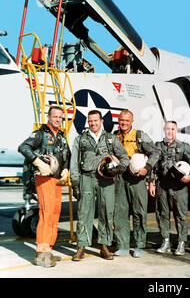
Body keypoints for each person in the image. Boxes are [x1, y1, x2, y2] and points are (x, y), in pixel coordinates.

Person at [70, 110, 129, 261]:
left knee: (107, 212)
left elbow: (124, 157)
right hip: (86, 178)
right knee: (84, 213)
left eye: (95, 120)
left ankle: (104, 246)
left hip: (106, 180)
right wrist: (75, 182)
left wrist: (118, 169)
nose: (93, 123)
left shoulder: (111, 139)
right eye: (90, 121)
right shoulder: (81, 139)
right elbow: (74, 162)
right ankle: (81, 246)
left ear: (101, 121)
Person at [18, 106, 71, 267]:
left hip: (57, 180)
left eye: (60, 117)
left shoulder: (61, 136)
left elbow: (67, 154)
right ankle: (41, 254)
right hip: (44, 178)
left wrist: (66, 168)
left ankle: (48, 249)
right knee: (46, 214)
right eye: (55, 117)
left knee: (54, 214)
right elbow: (23, 147)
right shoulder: (40, 134)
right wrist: (37, 161)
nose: (58, 120)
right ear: (48, 117)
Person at [112, 109, 160, 258]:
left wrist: (147, 168)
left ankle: (139, 245)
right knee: (120, 212)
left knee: (139, 212)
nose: (124, 123)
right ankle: (123, 245)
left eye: (127, 120)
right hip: (120, 178)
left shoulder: (140, 136)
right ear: (118, 121)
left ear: (132, 121)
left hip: (137, 178)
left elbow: (156, 153)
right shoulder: (114, 136)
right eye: (121, 120)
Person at [148, 121, 190, 256]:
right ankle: (166, 241)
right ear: (164, 130)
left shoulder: (183, 147)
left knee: (181, 215)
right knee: (161, 214)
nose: (169, 131)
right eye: (167, 129)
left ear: (176, 131)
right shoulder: (158, 146)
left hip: (179, 186)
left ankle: (181, 242)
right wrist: (151, 182)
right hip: (162, 185)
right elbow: (153, 165)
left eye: (172, 129)